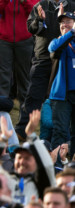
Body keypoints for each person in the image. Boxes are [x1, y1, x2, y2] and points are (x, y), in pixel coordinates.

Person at [17, 0, 75, 138]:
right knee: (33, 95)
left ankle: (65, 137)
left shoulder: (72, 6)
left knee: (64, 98)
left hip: (66, 60)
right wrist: (40, 21)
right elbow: (30, 28)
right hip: (43, 57)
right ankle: (22, 131)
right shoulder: (41, 5)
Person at [47, 10, 75, 147]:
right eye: (62, 23)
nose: (64, 25)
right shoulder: (57, 42)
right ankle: (57, 164)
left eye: (68, 21)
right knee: (60, 131)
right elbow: (53, 48)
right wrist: (72, 32)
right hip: (61, 96)